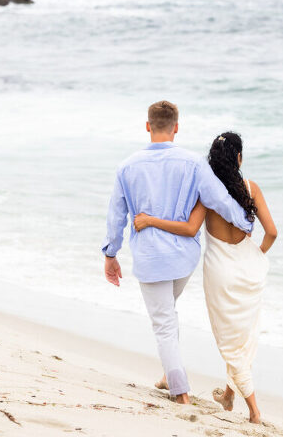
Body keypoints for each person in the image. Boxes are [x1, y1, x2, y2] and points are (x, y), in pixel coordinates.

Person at [101, 102, 254, 405]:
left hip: (151, 258)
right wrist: (246, 221)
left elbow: (116, 215)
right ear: (176, 127)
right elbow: (219, 199)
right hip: (184, 259)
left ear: (148, 126)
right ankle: (168, 375)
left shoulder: (127, 166)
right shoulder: (193, 163)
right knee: (167, 315)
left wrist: (111, 253)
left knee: (163, 323)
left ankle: (180, 392)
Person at [133, 131, 277, 423]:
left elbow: (188, 229)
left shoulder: (208, 193)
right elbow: (272, 232)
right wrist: (257, 254)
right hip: (250, 270)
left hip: (221, 274)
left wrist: (149, 220)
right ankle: (228, 394)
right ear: (239, 158)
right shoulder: (252, 188)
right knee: (242, 336)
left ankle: (255, 412)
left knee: (227, 339)